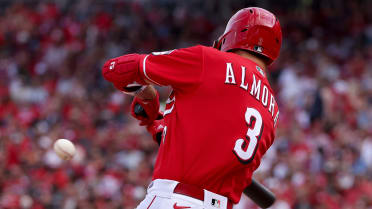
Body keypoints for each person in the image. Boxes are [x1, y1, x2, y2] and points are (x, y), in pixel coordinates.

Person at [102, 7, 282, 209]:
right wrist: (155, 120)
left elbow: (119, 69)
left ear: (233, 34)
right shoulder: (273, 110)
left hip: (175, 200)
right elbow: (198, 142)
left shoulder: (210, 61)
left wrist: (144, 91)